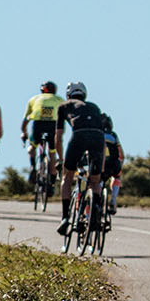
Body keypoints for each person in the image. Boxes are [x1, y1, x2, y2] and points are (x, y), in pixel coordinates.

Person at [55, 82, 107, 236]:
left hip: (79, 135)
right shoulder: (94, 107)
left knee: (68, 176)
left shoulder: (64, 106)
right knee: (95, 181)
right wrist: (101, 168)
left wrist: (60, 159)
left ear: (68, 94)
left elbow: (58, 136)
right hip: (98, 137)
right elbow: (103, 140)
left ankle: (65, 218)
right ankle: (95, 214)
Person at [20, 81, 65, 189]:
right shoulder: (59, 99)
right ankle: (52, 180)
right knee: (52, 152)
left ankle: (32, 167)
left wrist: (24, 132)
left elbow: (26, 119)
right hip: (52, 125)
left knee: (32, 147)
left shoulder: (34, 99)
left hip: (38, 124)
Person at [101, 114, 125, 218]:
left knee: (96, 181)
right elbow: (121, 155)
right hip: (113, 164)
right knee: (117, 176)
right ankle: (113, 199)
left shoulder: (97, 134)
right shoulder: (113, 135)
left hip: (100, 164)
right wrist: (120, 164)